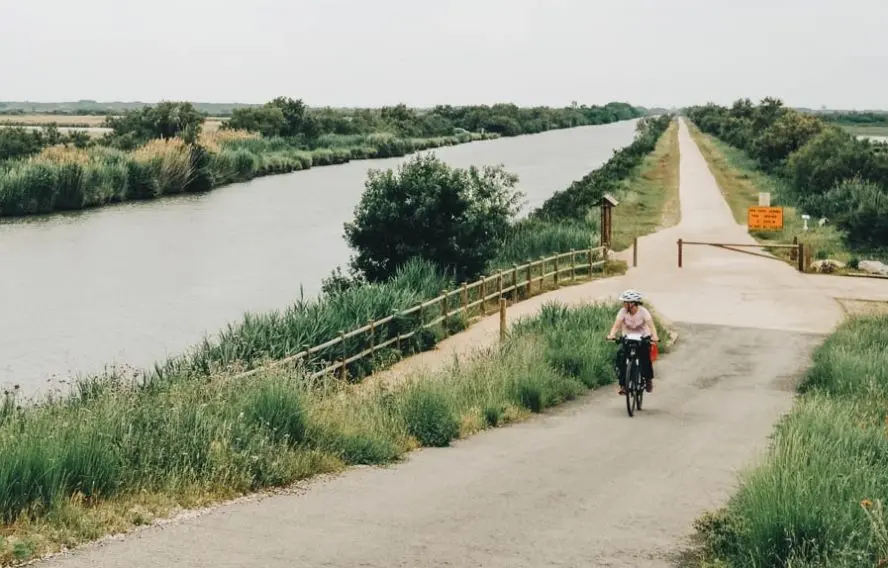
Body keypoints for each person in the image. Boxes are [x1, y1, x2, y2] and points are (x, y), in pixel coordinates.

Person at [606, 289, 659, 395]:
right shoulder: (622, 312)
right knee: (621, 357)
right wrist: (611, 335)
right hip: (628, 337)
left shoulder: (643, 312)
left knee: (645, 359)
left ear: (633, 303)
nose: (623, 304)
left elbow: (651, 326)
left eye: (625, 302)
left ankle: (648, 380)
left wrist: (655, 336)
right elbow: (616, 325)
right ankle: (623, 385)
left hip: (643, 337)